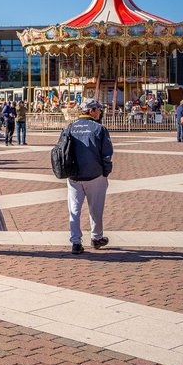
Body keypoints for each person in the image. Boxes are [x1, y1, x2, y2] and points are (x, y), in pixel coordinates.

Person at [65, 99, 113, 255]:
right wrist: (106, 172)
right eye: (98, 109)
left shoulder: (70, 127)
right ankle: (96, 237)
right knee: (96, 208)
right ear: (91, 111)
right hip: (94, 174)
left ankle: (76, 241)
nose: (100, 112)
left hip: (74, 175)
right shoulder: (99, 128)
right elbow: (106, 154)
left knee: (74, 209)